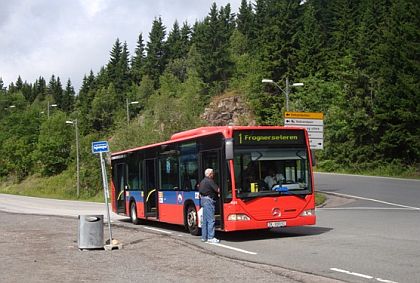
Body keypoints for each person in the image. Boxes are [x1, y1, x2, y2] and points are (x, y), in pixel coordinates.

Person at [199, 168, 220, 243]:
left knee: (205, 220)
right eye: (212, 173)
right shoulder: (210, 181)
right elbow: (217, 190)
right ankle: (211, 237)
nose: (213, 174)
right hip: (209, 200)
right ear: (210, 174)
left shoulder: (203, 181)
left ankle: (204, 237)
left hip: (203, 200)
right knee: (211, 220)